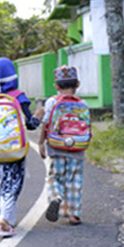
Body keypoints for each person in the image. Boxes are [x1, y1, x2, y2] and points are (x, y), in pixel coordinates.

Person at [0, 57, 44, 237]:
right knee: (12, 183)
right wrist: (38, 116)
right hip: (14, 150)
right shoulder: (19, 97)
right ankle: (6, 219)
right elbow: (30, 125)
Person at [38, 65, 88, 225]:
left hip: (56, 146)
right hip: (77, 147)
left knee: (55, 177)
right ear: (77, 84)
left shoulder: (52, 102)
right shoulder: (83, 103)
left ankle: (56, 197)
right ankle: (74, 215)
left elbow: (46, 123)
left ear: (56, 86)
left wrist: (41, 142)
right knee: (75, 180)